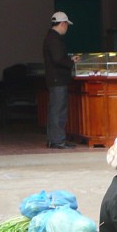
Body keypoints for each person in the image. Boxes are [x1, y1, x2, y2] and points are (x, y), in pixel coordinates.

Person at [43, 11, 75, 149]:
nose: (66, 28)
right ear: (62, 24)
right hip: (58, 79)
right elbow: (58, 59)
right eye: (66, 25)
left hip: (54, 79)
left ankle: (53, 139)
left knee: (54, 110)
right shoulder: (54, 39)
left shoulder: (50, 37)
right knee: (58, 110)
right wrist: (70, 62)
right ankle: (58, 140)